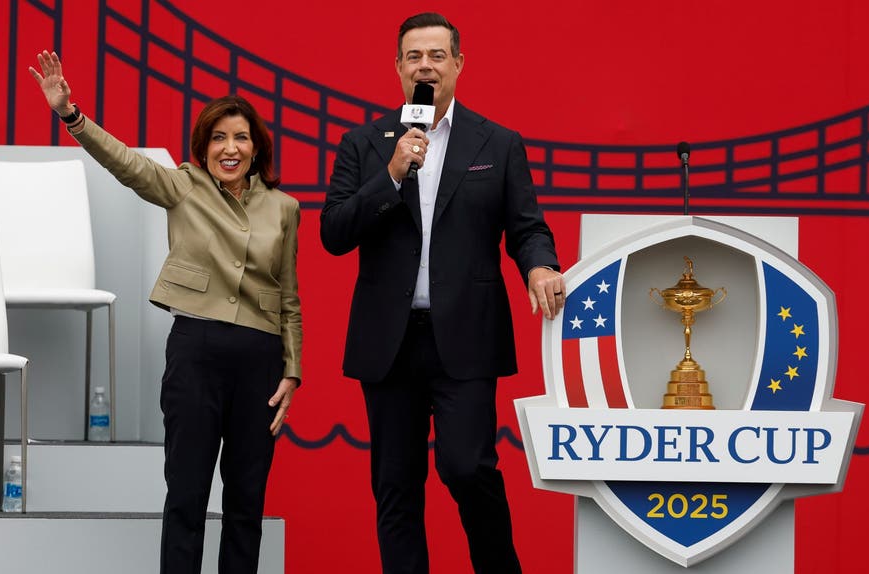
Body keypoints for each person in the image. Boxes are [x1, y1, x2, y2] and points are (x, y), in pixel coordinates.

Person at [29, 50, 301, 574]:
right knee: (186, 498)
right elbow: (127, 163)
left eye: (240, 137)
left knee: (247, 504)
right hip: (195, 354)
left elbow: (289, 296)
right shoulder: (184, 185)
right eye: (219, 137)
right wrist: (72, 116)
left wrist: (293, 370)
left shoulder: (283, 207)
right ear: (204, 146)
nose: (230, 147)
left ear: (256, 145)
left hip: (260, 363)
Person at [320, 13, 565, 574]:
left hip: (466, 334)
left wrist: (541, 266)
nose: (424, 65)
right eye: (413, 56)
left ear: (458, 64)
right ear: (398, 68)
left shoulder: (497, 143)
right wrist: (392, 172)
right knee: (396, 488)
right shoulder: (366, 144)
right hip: (391, 340)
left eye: (435, 55)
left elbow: (527, 227)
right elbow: (334, 232)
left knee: (466, 467)